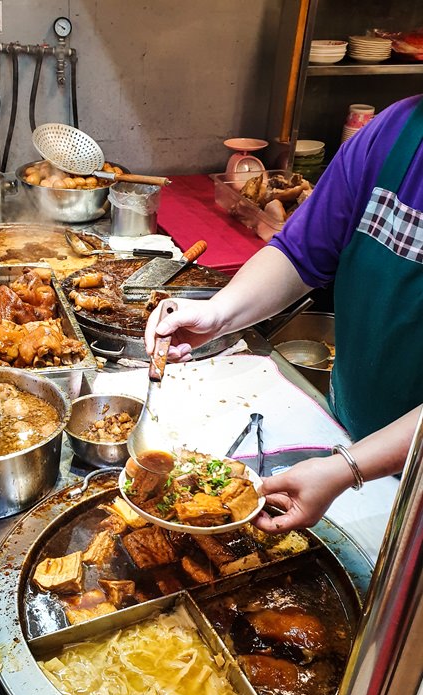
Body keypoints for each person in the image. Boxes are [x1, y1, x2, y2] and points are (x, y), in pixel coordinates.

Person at [145, 94, 423, 532]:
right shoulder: (397, 130)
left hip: (391, 468)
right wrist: (218, 315)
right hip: (348, 434)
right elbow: (301, 251)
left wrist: (349, 468)